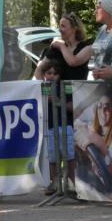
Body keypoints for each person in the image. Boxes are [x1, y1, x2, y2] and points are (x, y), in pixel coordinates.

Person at [40, 60, 75, 192]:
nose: (52, 76)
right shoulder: (41, 87)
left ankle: (72, 182)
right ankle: (55, 182)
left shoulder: (65, 87)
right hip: (49, 127)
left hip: (66, 126)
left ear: (60, 75)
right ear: (44, 74)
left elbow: (72, 106)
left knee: (69, 155)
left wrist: (58, 101)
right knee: (52, 156)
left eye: (55, 73)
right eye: (49, 73)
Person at [36, 12, 92, 81]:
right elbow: (39, 70)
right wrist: (46, 88)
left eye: (63, 26)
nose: (59, 29)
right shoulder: (55, 49)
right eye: (59, 26)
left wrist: (62, 45)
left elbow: (73, 62)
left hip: (78, 91)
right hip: (57, 91)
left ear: (74, 28)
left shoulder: (87, 48)